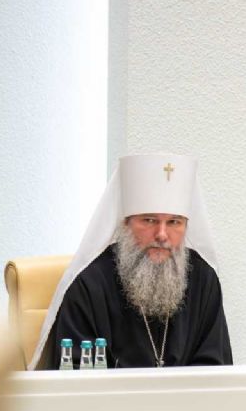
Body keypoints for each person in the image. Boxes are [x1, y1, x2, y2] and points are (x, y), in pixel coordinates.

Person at [32, 152, 232, 369]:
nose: (162, 235)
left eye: (174, 222)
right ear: (125, 224)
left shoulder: (203, 279)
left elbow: (215, 367)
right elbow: (77, 374)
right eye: (149, 220)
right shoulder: (88, 284)